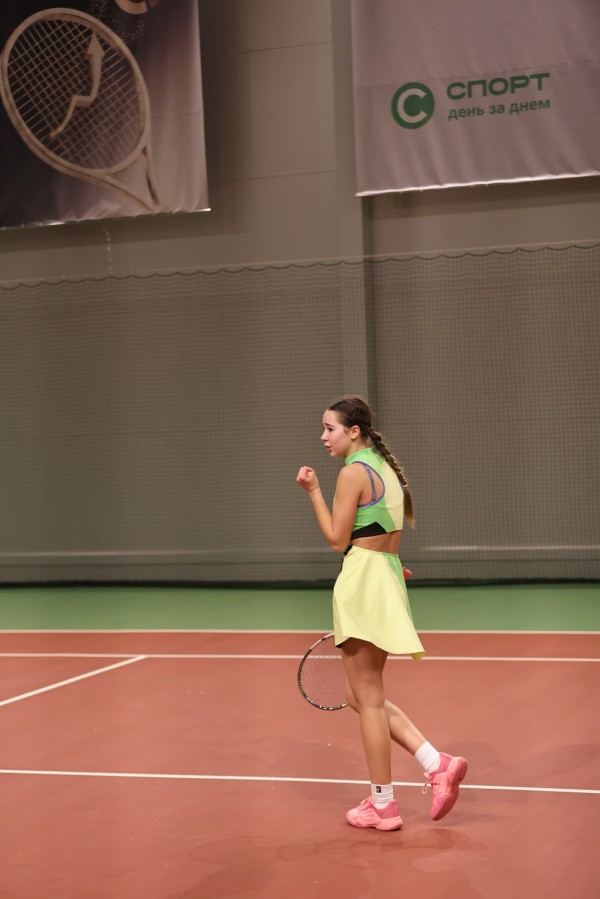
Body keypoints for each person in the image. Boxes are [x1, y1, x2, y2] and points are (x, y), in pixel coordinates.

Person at [296, 396, 467, 831]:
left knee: (368, 700)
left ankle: (383, 805)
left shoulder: (352, 473)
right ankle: (436, 763)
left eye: (329, 428)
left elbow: (338, 540)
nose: (323, 436)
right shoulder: (387, 470)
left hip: (363, 583)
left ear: (353, 431)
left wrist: (313, 492)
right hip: (386, 576)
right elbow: (382, 534)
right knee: (360, 696)